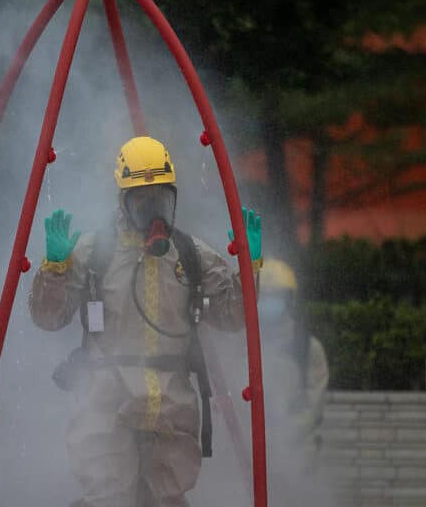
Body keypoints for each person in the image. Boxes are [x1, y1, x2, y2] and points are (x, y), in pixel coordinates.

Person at [28, 135, 261, 507]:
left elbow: (233, 317)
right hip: (105, 401)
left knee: (166, 499)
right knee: (107, 497)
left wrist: (249, 272)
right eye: (142, 200)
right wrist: (54, 269)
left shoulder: (190, 255)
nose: (154, 211)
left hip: (172, 405)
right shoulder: (94, 253)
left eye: (161, 199)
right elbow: (47, 317)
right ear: (122, 202)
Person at [257, 258, 328, 456]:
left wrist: (284, 435)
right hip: (251, 450)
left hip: (298, 453)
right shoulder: (241, 344)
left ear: (290, 300)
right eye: (263, 296)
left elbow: (314, 404)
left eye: (276, 296)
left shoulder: (309, 347)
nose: (269, 302)